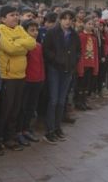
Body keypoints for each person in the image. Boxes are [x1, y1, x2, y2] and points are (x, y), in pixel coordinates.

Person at [0, 6, 36, 152]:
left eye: (17, 14)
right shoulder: (0, 30)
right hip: (7, 76)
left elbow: (32, 44)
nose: (16, 17)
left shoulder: (19, 29)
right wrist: (22, 46)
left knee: (15, 109)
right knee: (5, 110)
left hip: (21, 76)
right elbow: (9, 49)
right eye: (12, 15)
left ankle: (10, 137)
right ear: (3, 18)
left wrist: (18, 44)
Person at [42, 9, 80, 144]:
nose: (68, 21)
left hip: (68, 71)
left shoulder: (74, 34)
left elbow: (77, 52)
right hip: (54, 70)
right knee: (53, 100)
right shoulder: (52, 32)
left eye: (70, 19)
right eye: (65, 18)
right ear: (60, 19)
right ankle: (49, 130)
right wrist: (57, 59)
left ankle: (57, 127)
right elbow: (46, 50)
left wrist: (73, 62)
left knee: (61, 101)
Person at [18, 19, 44, 145]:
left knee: (31, 107)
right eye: (32, 30)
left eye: (36, 30)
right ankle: (19, 131)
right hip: (26, 80)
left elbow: (41, 63)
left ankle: (26, 129)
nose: (35, 33)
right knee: (22, 107)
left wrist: (42, 78)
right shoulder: (24, 46)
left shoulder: (38, 46)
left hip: (37, 80)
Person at [74, 16, 98, 111]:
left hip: (90, 63)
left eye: (92, 24)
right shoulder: (80, 36)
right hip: (82, 64)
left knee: (86, 85)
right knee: (80, 84)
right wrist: (80, 66)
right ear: (84, 24)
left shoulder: (93, 38)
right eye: (88, 24)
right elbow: (80, 52)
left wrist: (96, 66)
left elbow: (95, 53)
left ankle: (84, 101)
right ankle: (78, 102)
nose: (90, 26)